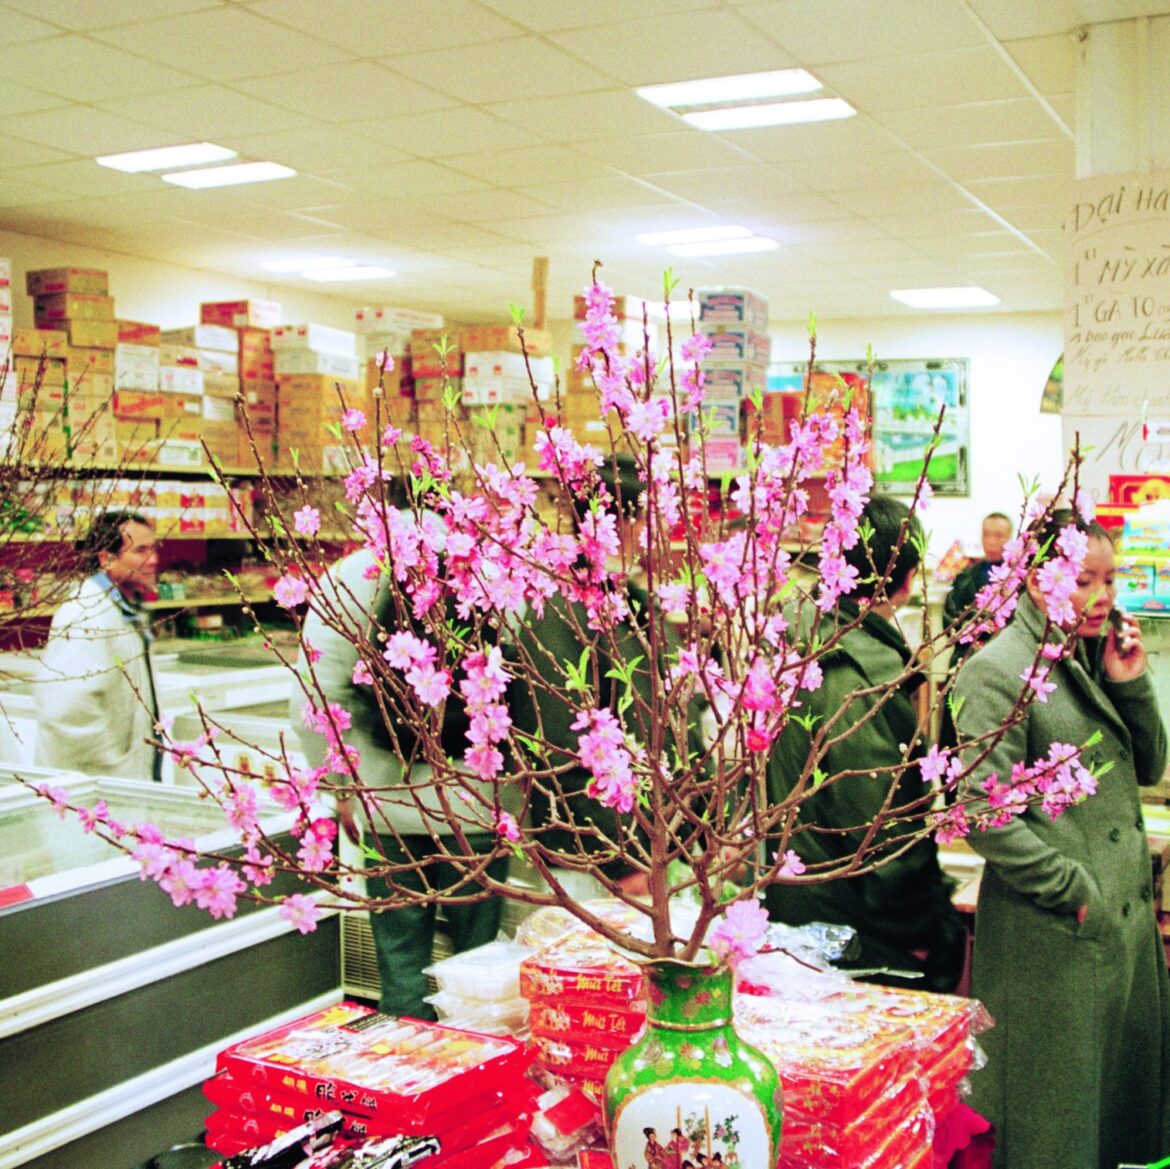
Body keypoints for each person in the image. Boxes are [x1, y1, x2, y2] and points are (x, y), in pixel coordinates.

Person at [952, 510, 1170, 1169]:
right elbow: (981, 808)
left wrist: (1132, 682)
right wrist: (1074, 889)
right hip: (1055, 942)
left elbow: (1151, 765)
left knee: (1106, 1124)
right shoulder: (1000, 670)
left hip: (1110, 941)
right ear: (1037, 579)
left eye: (1110, 579)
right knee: (1055, 1129)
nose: (1101, 597)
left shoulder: (1086, 657)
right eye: (1083, 580)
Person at [292, 544, 512, 1020]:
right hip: (477, 801)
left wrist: (341, 788)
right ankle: (476, 1052)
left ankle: (405, 1049)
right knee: (480, 973)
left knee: (400, 964)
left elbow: (315, 696)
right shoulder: (489, 564)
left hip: (387, 802)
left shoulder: (348, 576)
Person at [765, 495, 967, 991]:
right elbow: (878, 828)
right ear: (908, 580)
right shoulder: (860, 676)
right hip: (855, 933)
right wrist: (921, 928)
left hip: (801, 910)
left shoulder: (798, 644)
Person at [35, 510, 162, 779]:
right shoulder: (86, 614)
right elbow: (65, 713)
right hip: (96, 789)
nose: (153, 560)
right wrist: (116, 770)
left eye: (153, 549)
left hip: (121, 785)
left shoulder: (123, 609)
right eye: (140, 551)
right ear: (106, 559)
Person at [942, 511, 1013, 652]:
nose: (991, 541)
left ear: (1010, 538)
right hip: (968, 651)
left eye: (999, 536)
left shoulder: (1017, 576)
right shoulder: (966, 576)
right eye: (986, 534)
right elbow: (950, 619)